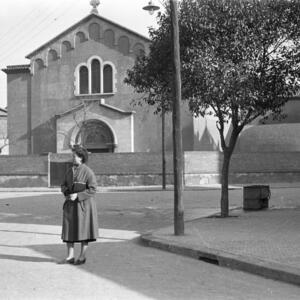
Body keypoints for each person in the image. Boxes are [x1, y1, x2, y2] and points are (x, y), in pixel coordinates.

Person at [59, 144, 99, 265]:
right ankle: (70, 256)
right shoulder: (69, 171)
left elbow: (93, 189)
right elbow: (63, 185)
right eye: (72, 156)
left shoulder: (88, 172)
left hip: (83, 207)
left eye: (74, 156)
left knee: (83, 231)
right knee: (69, 230)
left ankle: (82, 256)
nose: (73, 158)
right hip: (70, 206)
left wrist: (78, 195)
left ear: (81, 157)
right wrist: (66, 193)